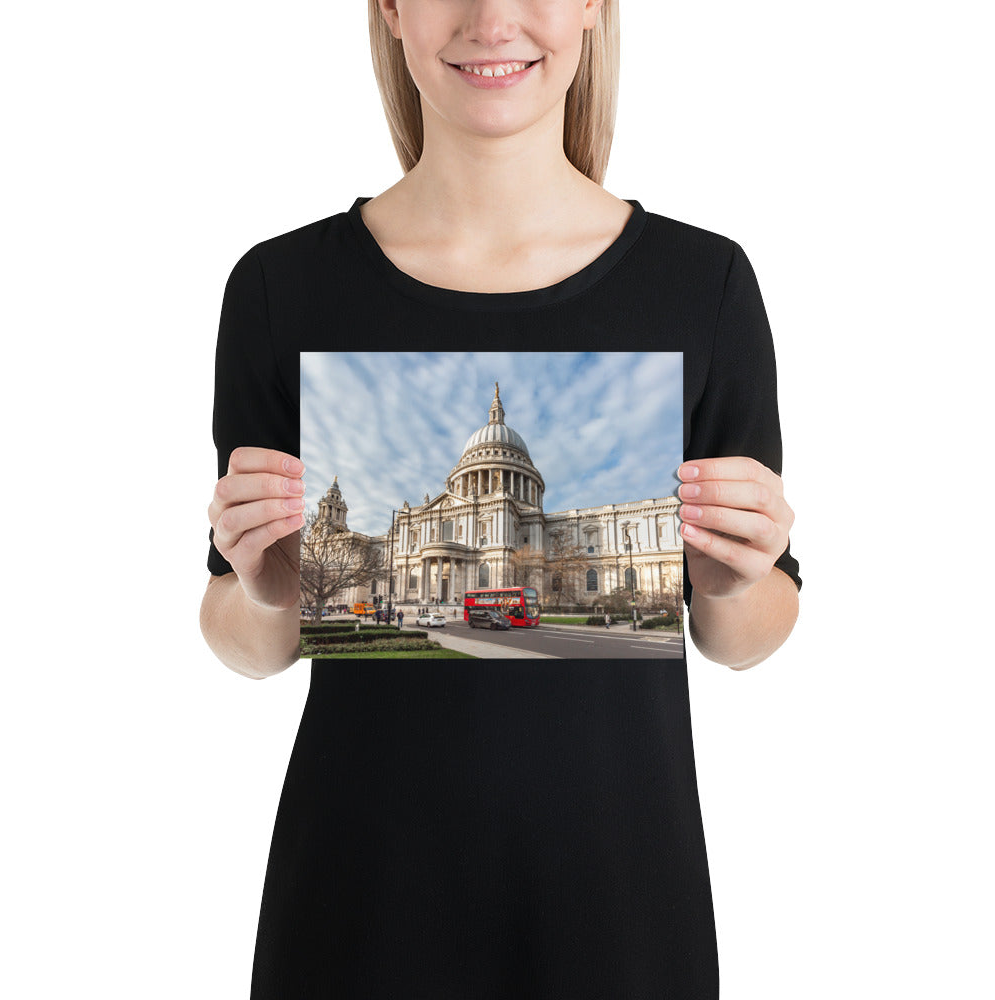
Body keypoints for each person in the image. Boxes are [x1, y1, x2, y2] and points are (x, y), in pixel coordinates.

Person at [200, 2, 801, 997]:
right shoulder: (279, 288)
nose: (491, 15)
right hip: (360, 903)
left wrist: (729, 571)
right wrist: (267, 583)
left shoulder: (705, 285)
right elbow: (240, 638)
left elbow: (749, 633)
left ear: (595, 9)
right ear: (389, 9)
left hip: (616, 903)